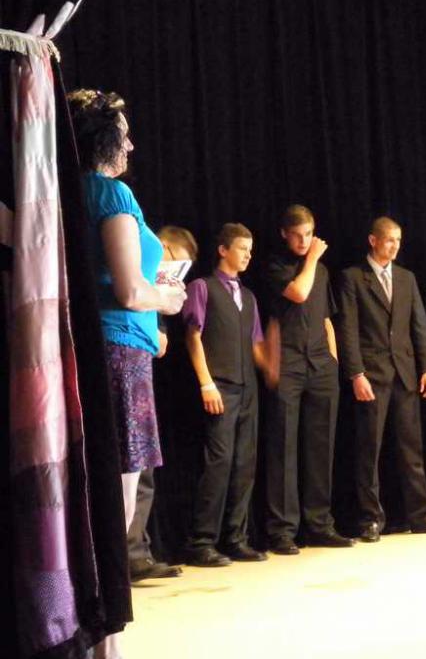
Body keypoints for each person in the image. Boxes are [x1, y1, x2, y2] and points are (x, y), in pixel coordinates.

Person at [72, 88, 187, 657]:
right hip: (118, 356)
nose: (133, 145)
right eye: (125, 135)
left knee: (97, 498)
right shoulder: (111, 192)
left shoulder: (68, 189)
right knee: (113, 505)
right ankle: (106, 641)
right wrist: (168, 300)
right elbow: (129, 290)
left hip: (106, 347)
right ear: (106, 141)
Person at [338, 217, 426, 541]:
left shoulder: (406, 277)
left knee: (411, 449)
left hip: (405, 374)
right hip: (372, 374)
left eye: (398, 240)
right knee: (369, 450)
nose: (394, 246)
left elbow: (419, 326)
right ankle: (370, 518)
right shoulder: (352, 277)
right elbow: (348, 330)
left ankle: (421, 514)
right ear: (373, 240)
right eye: (389, 240)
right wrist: (356, 373)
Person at [264, 205, 352, 554]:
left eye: (309, 234)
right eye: (298, 235)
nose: (304, 241)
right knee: (284, 447)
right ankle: (282, 530)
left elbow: (327, 318)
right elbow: (298, 293)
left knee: (321, 445)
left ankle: (320, 524)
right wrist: (313, 257)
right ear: (284, 234)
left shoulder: (323, 271)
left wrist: (333, 360)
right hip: (288, 363)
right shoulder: (276, 266)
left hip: (320, 364)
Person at [182, 224, 269, 566]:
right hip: (220, 385)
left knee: (244, 463)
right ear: (223, 250)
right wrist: (206, 383)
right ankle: (201, 541)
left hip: (248, 388)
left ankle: (236, 538)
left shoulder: (249, 297)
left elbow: (256, 344)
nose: (249, 254)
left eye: (251, 249)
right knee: (218, 462)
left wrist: (272, 368)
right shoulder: (202, 287)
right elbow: (193, 337)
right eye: (243, 248)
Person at [127, 225, 197, 583]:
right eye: (174, 262)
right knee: (130, 462)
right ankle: (127, 553)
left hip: (141, 366)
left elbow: (161, 337)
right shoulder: (134, 264)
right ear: (162, 246)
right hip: (123, 361)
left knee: (144, 463)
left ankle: (137, 551)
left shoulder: (154, 286)